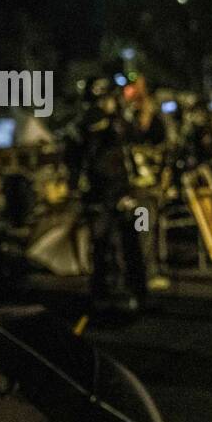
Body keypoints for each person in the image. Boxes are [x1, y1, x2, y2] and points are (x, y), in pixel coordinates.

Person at [68, 80, 147, 312]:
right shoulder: (85, 126)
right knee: (101, 245)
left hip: (121, 191)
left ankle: (135, 291)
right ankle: (102, 292)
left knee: (131, 242)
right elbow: (76, 158)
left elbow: (136, 136)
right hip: (98, 194)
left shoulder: (118, 123)